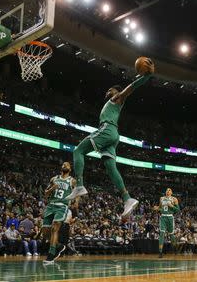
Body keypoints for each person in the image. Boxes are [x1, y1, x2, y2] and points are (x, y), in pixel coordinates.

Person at [65, 62, 155, 221]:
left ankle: (79, 185)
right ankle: (127, 199)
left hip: (107, 130)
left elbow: (131, 88)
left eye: (111, 89)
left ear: (117, 92)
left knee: (78, 151)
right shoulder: (111, 104)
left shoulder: (117, 98)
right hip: (113, 136)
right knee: (110, 167)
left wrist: (146, 76)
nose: (108, 91)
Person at [42, 162, 76, 265]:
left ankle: (51, 255)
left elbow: (77, 193)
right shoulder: (54, 179)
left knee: (54, 228)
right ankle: (58, 246)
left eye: (67, 165)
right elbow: (45, 194)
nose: (65, 165)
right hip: (50, 205)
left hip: (62, 206)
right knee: (45, 232)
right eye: (63, 164)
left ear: (70, 169)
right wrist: (52, 188)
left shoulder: (72, 181)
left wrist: (75, 201)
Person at [155, 188, 180, 258]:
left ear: (171, 192)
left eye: (169, 190)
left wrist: (171, 206)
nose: (168, 191)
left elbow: (178, 210)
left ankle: (175, 249)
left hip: (170, 217)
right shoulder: (161, 198)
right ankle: (160, 252)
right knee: (162, 234)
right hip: (163, 217)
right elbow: (160, 208)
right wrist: (157, 208)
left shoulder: (174, 199)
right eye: (167, 190)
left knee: (171, 235)